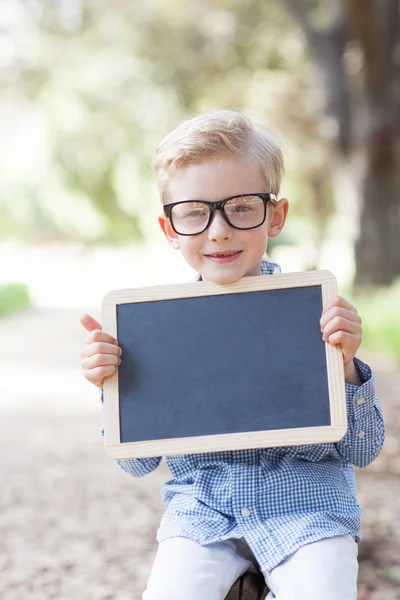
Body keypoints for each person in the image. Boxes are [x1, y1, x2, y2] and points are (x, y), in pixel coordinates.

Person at [80, 110, 385, 600]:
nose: (218, 230)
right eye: (195, 212)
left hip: (308, 512)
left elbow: (364, 449)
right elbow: (136, 465)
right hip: (203, 514)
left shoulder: (315, 313)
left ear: (277, 215)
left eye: (242, 207)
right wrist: (114, 386)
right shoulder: (156, 330)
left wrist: (347, 365)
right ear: (169, 228)